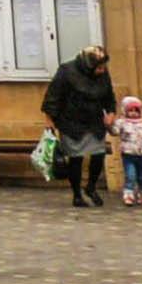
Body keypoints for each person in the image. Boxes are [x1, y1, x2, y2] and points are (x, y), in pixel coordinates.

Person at [41, 43, 116, 210]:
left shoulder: (103, 73)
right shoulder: (66, 71)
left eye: (103, 67)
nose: (102, 71)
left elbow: (109, 96)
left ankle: (91, 187)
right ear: (89, 64)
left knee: (98, 154)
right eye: (99, 67)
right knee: (76, 158)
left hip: (94, 121)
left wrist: (111, 113)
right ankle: (76, 194)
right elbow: (53, 96)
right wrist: (49, 120)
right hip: (71, 122)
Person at [114, 93, 142, 208]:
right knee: (130, 175)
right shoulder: (123, 123)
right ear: (125, 111)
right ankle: (128, 194)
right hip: (128, 154)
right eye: (130, 110)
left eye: (136, 110)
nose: (133, 113)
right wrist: (109, 124)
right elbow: (115, 131)